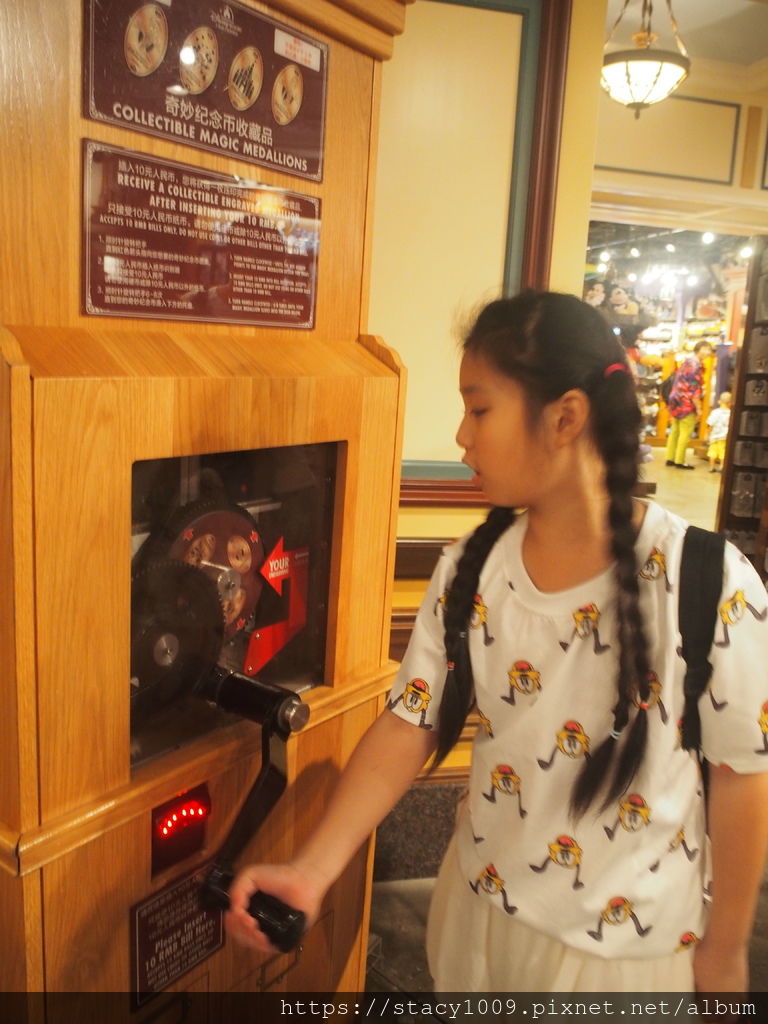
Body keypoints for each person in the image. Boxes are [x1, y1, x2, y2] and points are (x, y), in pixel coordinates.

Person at [226, 291, 768, 994]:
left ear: (565, 417)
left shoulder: (709, 581)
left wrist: (726, 950)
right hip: (479, 916)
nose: (462, 436)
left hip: (626, 954)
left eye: (479, 409)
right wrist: (311, 870)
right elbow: (410, 722)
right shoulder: (473, 568)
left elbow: (741, 775)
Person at [664, 340, 713, 469]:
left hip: (675, 399)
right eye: (705, 349)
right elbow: (694, 390)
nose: (708, 352)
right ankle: (679, 460)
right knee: (685, 432)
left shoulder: (686, 362)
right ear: (698, 349)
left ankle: (670, 458)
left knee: (675, 430)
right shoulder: (696, 366)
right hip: (686, 403)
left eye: (709, 350)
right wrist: (699, 408)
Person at [706, 391, 732, 473]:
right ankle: (722, 466)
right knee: (723, 452)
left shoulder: (715, 412)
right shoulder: (730, 413)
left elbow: (710, 424)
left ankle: (711, 467)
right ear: (730, 403)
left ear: (719, 401)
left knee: (712, 451)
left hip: (714, 436)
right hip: (724, 436)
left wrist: (707, 434)